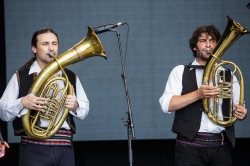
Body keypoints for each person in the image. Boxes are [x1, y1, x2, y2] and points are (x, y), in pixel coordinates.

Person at [159, 25, 247, 166]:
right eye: (203, 40)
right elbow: (167, 105)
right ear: (195, 46)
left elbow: (237, 108)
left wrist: (242, 113)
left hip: (221, 147)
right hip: (189, 148)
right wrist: (198, 94)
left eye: (212, 41)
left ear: (218, 46)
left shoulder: (228, 74)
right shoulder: (180, 71)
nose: (208, 44)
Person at [0, 28, 89, 166]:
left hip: (64, 148)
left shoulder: (70, 76)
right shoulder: (21, 76)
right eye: (45, 44)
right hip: (33, 149)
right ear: (34, 48)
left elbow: (84, 110)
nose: (51, 48)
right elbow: (3, 112)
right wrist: (22, 102)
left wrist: (75, 105)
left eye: (54, 44)